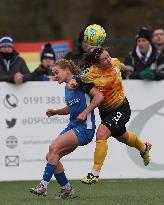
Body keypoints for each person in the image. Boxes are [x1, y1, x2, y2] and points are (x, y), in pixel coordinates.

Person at [68, 48, 152, 185]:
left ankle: (94, 174)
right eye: (104, 59)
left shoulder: (115, 62)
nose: (108, 60)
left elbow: (123, 67)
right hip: (106, 112)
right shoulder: (91, 73)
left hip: (121, 108)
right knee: (123, 137)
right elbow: (78, 78)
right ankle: (144, 148)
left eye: (108, 56)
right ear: (96, 63)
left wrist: (127, 69)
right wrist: (74, 82)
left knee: (101, 134)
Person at [29, 59, 104, 198]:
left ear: (67, 70)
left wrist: (85, 113)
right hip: (74, 125)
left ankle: (43, 186)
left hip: (85, 128)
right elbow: (72, 108)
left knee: (54, 147)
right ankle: (66, 189)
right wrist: (56, 111)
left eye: (57, 72)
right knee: (51, 156)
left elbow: (99, 96)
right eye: (53, 73)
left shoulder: (80, 81)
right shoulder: (66, 86)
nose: (55, 75)